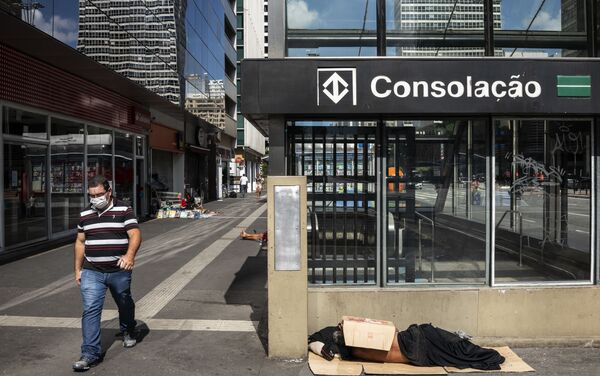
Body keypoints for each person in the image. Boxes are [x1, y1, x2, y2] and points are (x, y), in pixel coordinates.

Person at [72, 175, 142, 371]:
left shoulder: (124, 209)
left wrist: (129, 256)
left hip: (119, 270)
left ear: (109, 192)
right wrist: (77, 269)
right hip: (92, 270)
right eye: (92, 195)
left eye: (99, 194)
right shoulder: (85, 214)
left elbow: (135, 233)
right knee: (91, 310)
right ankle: (89, 354)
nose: (95, 198)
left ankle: (128, 330)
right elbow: (80, 242)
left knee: (124, 301)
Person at [309, 322, 505, 370]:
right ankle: (467, 345)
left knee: (461, 349)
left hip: (416, 343)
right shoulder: (350, 348)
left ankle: (467, 345)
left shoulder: (350, 350)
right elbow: (316, 343)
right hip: (417, 342)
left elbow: (315, 343)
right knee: (461, 349)